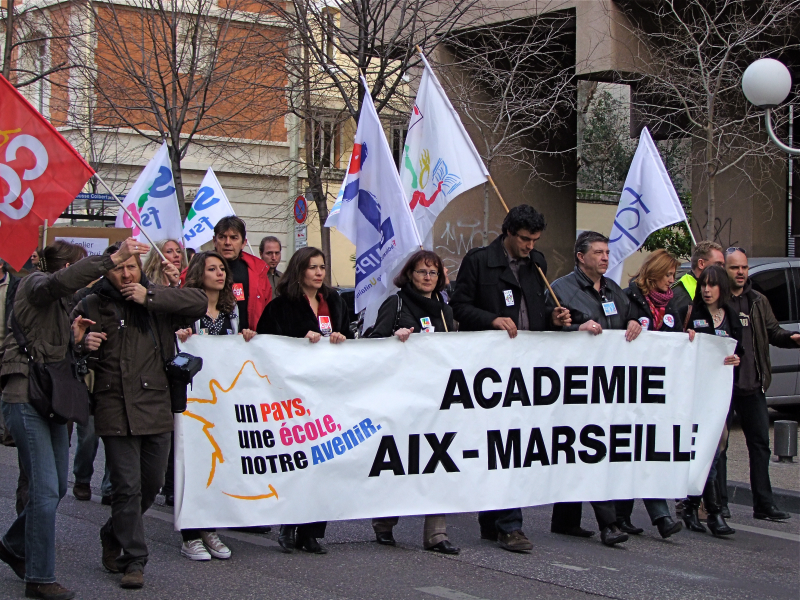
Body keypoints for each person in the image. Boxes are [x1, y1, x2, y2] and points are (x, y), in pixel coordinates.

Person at [0, 239, 146, 600]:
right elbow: (57, 285)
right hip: (24, 398)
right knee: (46, 491)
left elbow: (58, 358)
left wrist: (77, 342)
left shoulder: (62, 307)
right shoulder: (34, 284)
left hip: (49, 401)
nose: (88, 277)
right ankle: (39, 577)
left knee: (57, 489)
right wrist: (110, 258)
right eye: (82, 266)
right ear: (65, 267)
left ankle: (12, 544)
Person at [72, 242, 207, 590]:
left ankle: (112, 531)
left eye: (132, 267)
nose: (127, 274)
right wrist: (81, 344)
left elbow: (198, 303)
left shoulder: (155, 297)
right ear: (108, 270)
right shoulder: (93, 303)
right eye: (119, 268)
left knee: (152, 484)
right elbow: (69, 338)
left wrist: (150, 297)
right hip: (113, 405)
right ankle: (134, 559)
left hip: (155, 403)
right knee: (127, 487)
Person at [450, 204, 571, 553]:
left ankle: (494, 521)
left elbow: (537, 312)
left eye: (534, 239)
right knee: (504, 445)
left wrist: (556, 317)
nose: (529, 245)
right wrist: (492, 320)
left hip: (526, 367)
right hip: (489, 368)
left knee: (509, 446)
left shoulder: (538, 264)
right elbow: (459, 306)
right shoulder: (479, 261)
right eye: (523, 239)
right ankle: (509, 525)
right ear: (507, 233)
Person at [549, 231, 643, 547]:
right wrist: (576, 328)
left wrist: (636, 323)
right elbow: (545, 328)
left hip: (608, 385)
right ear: (581, 256)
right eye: (599, 252)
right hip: (575, 385)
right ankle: (609, 523)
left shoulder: (614, 290)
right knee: (592, 450)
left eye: (607, 252)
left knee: (578, 452)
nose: (605, 257)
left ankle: (565, 520)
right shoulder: (561, 289)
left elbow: (632, 316)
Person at [256, 247, 352, 554]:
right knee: (297, 463)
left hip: (327, 391)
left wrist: (340, 338)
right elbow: (266, 344)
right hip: (293, 396)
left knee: (323, 463)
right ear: (299, 271)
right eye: (313, 267)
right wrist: (298, 343)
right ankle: (288, 524)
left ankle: (311, 532)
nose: (319, 273)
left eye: (322, 267)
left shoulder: (334, 300)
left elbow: (347, 334)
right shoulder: (281, 306)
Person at [367, 250, 460, 555]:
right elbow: (372, 344)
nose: (427, 278)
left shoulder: (445, 311)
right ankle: (384, 522)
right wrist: (395, 337)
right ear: (409, 274)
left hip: (437, 398)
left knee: (440, 461)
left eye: (433, 273)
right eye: (421, 272)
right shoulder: (395, 303)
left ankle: (436, 533)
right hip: (402, 397)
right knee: (400, 461)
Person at [173, 251, 257, 561]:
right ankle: (190, 534)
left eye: (222, 269)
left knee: (218, 461)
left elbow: (235, 347)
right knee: (193, 461)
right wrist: (180, 337)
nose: (220, 274)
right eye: (212, 269)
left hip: (220, 398)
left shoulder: (231, 308)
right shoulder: (185, 305)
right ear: (199, 273)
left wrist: (246, 338)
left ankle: (211, 527)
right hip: (193, 395)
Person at [722, 248, 799, 522]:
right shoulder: (718, 301)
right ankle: (719, 505)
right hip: (724, 387)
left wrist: (792, 338)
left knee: (760, 446)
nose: (741, 272)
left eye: (743, 267)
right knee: (721, 448)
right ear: (725, 271)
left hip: (753, 385)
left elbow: (773, 332)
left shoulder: (758, 300)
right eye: (735, 268)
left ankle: (763, 504)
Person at [617, 249, 684, 538]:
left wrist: (688, 340)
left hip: (656, 393)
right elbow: (614, 332)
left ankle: (658, 517)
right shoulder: (628, 299)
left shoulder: (671, 307)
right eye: (669, 275)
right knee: (630, 453)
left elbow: (678, 340)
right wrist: (626, 327)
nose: (672, 280)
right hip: (629, 390)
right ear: (654, 273)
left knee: (648, 452)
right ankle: (630, 516)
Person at [678, 265, 739, 536]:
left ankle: (692, 505)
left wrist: (737, 359)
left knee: (715, 449)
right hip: (696, 393)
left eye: (712, 285)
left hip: (720, 394)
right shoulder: (693, 313)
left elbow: (742, 349)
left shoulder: (731, 316)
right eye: (703, 284)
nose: (706, 290)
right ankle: (713, 512)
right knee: (707, 451)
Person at [208, 217, 271, 330]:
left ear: (243, 243)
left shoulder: (258, 272)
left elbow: (268, 313)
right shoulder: (199, 269)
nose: (228, 243)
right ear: (214, 241)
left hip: (248, 342)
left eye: (234, 238)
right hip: (210, 342)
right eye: (222, 237)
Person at [672, 240, 724, 309]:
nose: (722, 269)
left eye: (723, 265)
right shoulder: (682, 294)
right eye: (718, 264)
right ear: (701, 263)